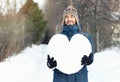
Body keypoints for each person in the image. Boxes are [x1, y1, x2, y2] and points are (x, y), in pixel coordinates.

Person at [47, 5, 94, 82]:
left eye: (72, 16)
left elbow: (91, 57)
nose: (69, 19)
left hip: (79, 78)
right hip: (61, 78)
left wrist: (89, 60)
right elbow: (50, 57)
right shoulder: (57, 39)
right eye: (66, 17)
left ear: (76, 19)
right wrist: (50, 64)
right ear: (64, 20)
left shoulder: (85, 37)